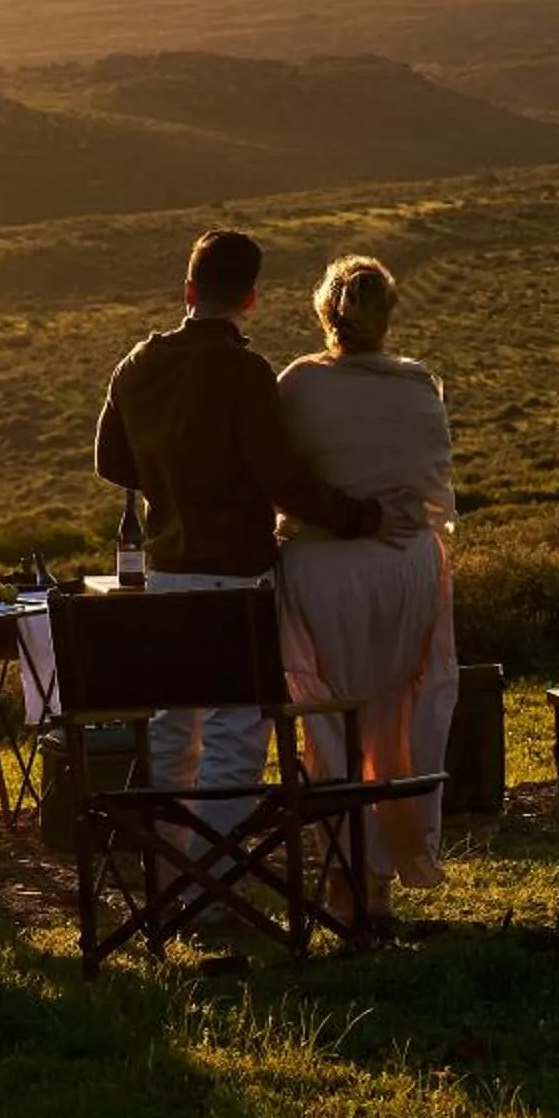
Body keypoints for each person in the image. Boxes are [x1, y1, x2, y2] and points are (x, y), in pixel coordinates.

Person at [94, 230, 390, 843]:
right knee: (235, 733)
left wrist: (165, 480)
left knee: (172, 728)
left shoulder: (137, 365)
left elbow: (111, 462)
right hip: (236, 577)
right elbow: (282, 479)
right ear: (250, 299)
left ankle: (173, 877)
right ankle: (212, 880)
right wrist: (358, 517)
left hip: (166, 573)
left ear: (188, 290)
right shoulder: (245, 372)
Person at [274, 256, 457, 916]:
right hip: (406, 569)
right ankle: (378, 876)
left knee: (329, 725)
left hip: (325, 571)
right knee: (397, 719)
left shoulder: (299, 384)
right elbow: (435, 479)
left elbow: (282, 473)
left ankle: (346, 876)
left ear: (326, 313)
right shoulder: (418, 385)